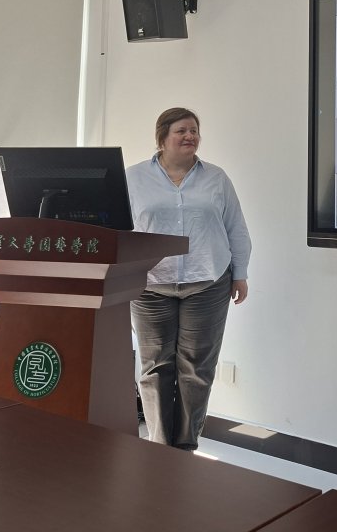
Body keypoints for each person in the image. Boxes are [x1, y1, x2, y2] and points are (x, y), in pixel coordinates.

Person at [127, 107, 251, 450]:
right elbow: (120, 226)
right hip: (150, 284)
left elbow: (236, 228)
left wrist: (240, 273)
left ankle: (185, 446)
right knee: (155, 367)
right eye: (181, 130)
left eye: (194, 130)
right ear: (162, 137)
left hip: (207, 283)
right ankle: (159, 445)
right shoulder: (134, 177)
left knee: (196, 369)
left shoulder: (217, 178)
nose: (190, 136)